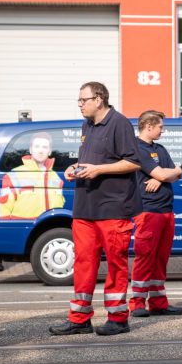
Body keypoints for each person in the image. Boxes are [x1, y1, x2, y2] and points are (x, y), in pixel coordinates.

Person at [49, 81, 141, 337]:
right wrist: (75, 167)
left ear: (98, 99)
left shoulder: (119, 123)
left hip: (112, 208)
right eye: (79, 100)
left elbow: (133, 162)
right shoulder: (87, 124)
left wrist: (98, 169)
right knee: (83, 263)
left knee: (116, 263)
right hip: (85, 206)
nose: (80, 104)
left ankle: (118, 318)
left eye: (83, 100)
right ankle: (79, 318)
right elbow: (94, 159)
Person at [130, 110, 182, 317]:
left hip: (165, 210)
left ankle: (158, 302)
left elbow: (178, 173)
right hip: (147, 210)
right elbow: (168, 172)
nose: (163, 129)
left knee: (161, 258)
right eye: (160, 126)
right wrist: (164, 174)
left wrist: (162, 176)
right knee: (145, 257)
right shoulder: (137, 148)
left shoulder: (160, 149)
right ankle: (136, 303)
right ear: (149, 126)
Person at [0, 132, 65, 219]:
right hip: (23, 229)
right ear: (30, 150)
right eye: (37, 146)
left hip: (48, 229)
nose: (40, 151)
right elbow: (4, 206)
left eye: (44, 147)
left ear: (49, 151)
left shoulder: (56, 178)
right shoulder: (14, 175)